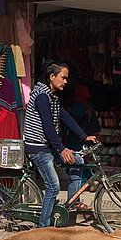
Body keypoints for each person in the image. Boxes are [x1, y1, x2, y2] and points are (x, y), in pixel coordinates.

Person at [24, 61, 97, 228]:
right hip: (38, 149)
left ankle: (73, 201)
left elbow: (66, 118)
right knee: (53, 186)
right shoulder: (42, 96)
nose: (66, 82)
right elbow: (48, 127)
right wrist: (62, 149)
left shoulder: (53, 97)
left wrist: (84, 136)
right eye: (63, 78)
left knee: (78, 161)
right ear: (52, 77)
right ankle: (44, 228)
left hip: (48, 147)